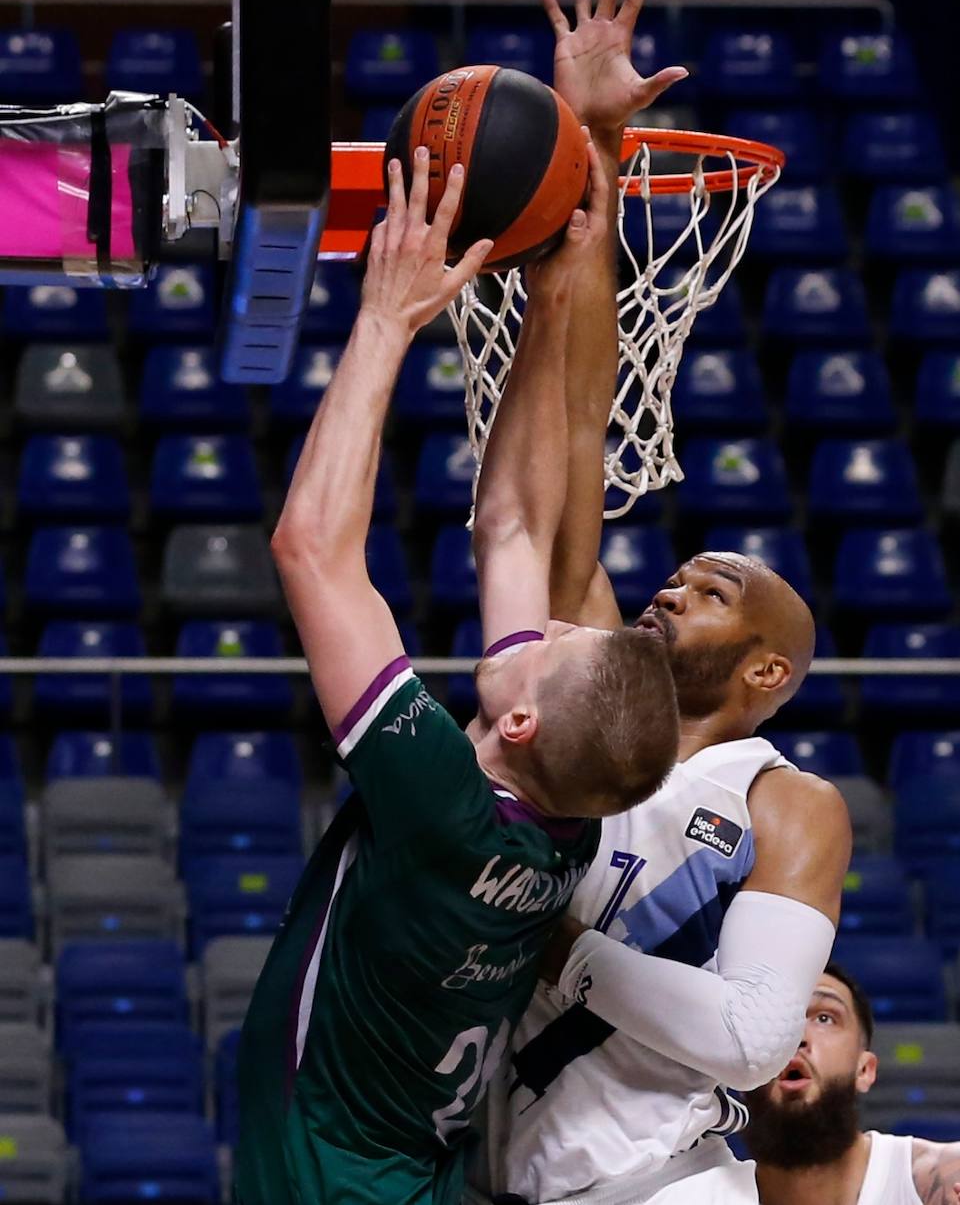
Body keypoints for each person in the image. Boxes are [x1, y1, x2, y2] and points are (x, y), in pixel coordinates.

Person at [474, 0, 852, 1205]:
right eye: (683, 571)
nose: (673, 585)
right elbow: (579, 426)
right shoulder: (595, 681)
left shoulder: (787, 805)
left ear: (765, 668)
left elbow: (749, 1042)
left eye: (715, 586)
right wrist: (594, 155)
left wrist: (565, 950)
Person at [234, 141, 680, 1203]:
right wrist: (566, 245)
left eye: (556, 645)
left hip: (327, 1183)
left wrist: (385, 321)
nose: (548, 629)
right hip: (408, 1176)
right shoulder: (561, 823)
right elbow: (516, 526)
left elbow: (311, 547)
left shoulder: (440, 800)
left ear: (519, 722)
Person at [747, 963, 960, 1205]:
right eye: (775, 1020)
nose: (797, 1036)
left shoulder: (947, 1177)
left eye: (824, 1018)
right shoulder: (710, 1191)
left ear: (865, 1069)